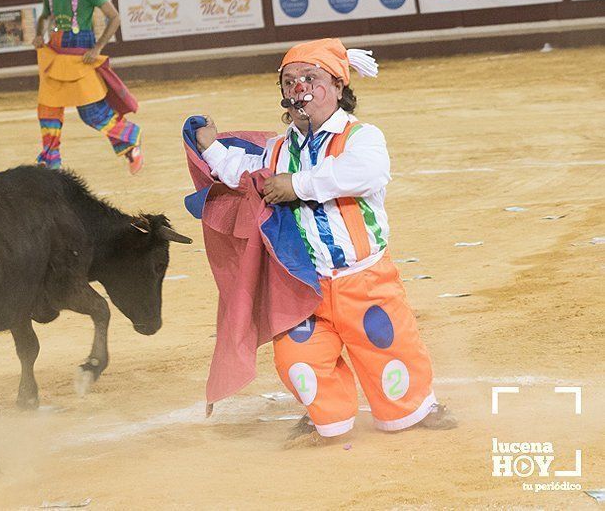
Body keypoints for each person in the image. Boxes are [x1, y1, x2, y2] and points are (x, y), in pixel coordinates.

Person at [193, 38, 456, 445]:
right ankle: (327, 417)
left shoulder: (361, 137)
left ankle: (416, 407)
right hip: (303, 285)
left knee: (388, 349)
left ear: (337, 86)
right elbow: (242, 173)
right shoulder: (277, 150)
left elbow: (364, 172)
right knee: (298, 358)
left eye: (310, 78)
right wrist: (210, 147)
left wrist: (295, 185)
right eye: (289, 81)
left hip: (364, 279)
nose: (299, 88)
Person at [32, 0, 143, 174]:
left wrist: (97, 47)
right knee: (48, 107)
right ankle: (50, 161)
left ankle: (130, 138)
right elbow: (45, 17)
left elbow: (114, 17)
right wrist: (39, 34)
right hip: (56, 52)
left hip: (79, 54)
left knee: (91, 112)